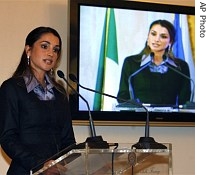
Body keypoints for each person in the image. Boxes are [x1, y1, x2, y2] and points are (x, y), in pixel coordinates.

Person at [0, 26, 76, 175]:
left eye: (55, 49)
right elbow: (8, 137)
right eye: (44, 46)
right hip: (25, 171)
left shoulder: (60, 93)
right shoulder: (12, 88)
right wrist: (40, 164)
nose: (51, 53)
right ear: (28, 50)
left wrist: (69, 161)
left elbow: (68, 140)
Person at [117, 19, 191, 106]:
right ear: (148, 36)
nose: (157, 39)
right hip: (139, 117)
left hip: (170, 118)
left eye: (163, 36)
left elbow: (185, 101)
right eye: (153, 34)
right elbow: (122, 96)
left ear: (170, 41)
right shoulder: (131, 62)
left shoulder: (181, 66)